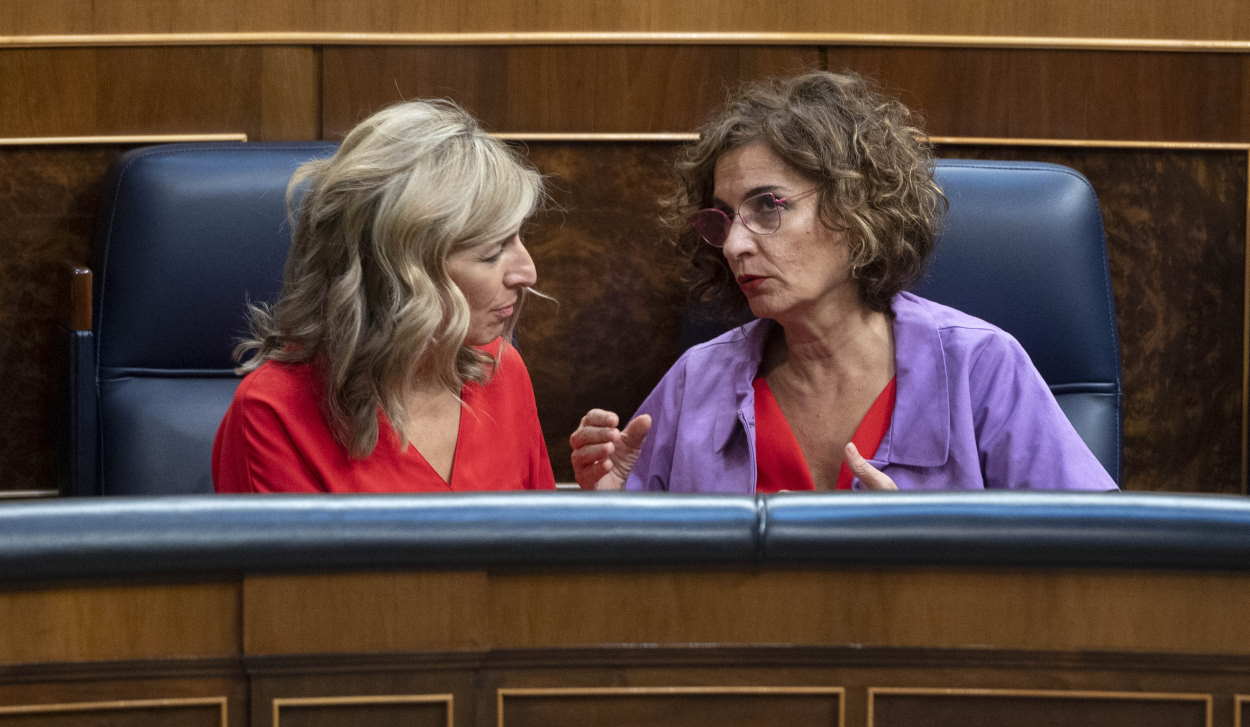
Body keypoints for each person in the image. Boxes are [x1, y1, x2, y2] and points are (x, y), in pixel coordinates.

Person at [570, 71, 1116, 493]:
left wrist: (938, 554)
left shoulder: (981, 366)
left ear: (856, 208)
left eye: (768, 206)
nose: (736, 244)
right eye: (725, 217)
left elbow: (1095, 553)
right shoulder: (699, 380)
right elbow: (650, 592)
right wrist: (614, 508)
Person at [213, 99, 555, 492]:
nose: (528, 272)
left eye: (518, 237)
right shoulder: (273, 412)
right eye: (492, 253)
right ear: (400, 273)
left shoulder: (501, 369)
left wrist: (606, 507)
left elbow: (538, 547)